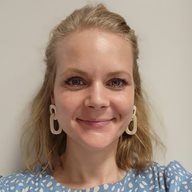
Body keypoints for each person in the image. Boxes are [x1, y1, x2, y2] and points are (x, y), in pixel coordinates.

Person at [0, 3, 191, 192]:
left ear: (134, 94)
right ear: (53, 97)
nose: (97, 100)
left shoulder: (170, 184)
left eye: (116, 82)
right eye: (76, 81)